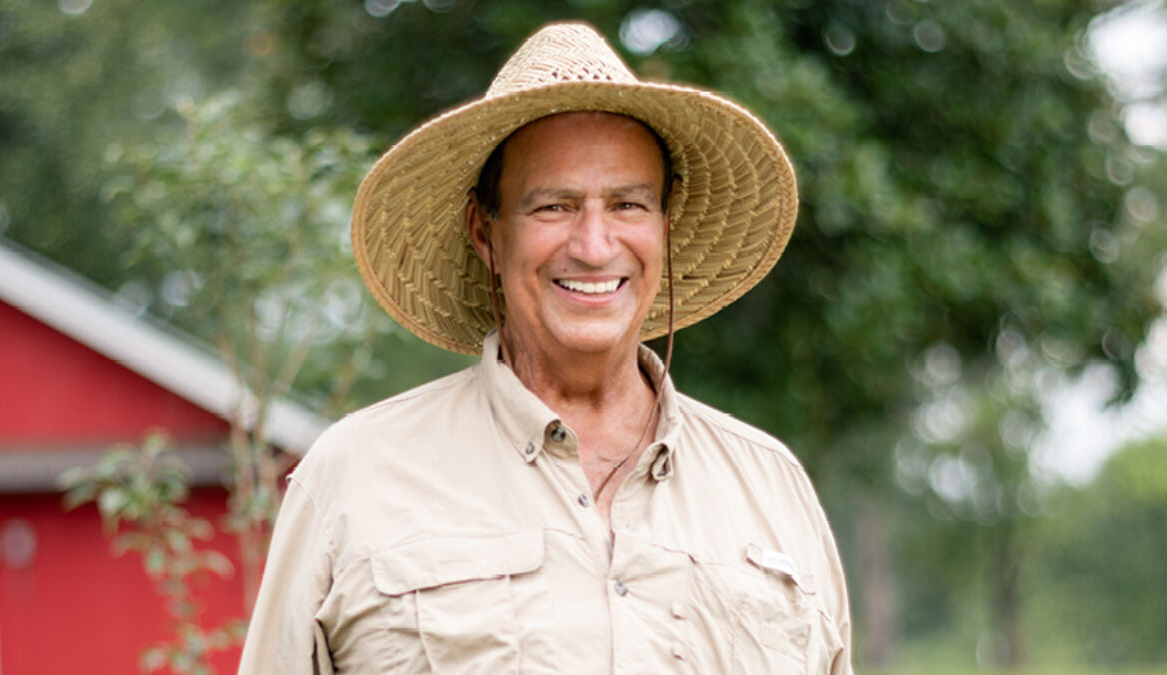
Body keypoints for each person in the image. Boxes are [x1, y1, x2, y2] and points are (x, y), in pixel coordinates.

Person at [240, 22, 852, 674]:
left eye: (627, 204)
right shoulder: (356, 477)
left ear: (663, 227)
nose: (593, 245)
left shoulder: (772, 488)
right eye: (553, 207)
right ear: (485, 232)